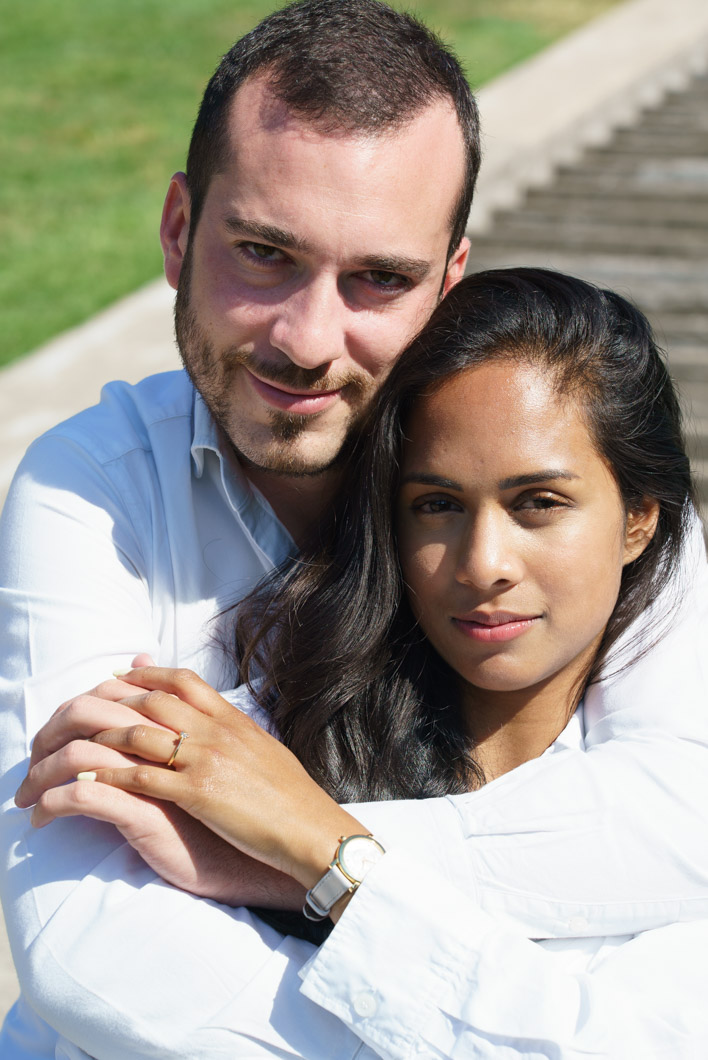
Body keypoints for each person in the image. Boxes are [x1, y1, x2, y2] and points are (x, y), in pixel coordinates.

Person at [0, 0, 706, 1053]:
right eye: (264, 253)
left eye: (380, 277)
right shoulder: (90, 490)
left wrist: (311, 847)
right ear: (180, 231)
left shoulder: (597, 508)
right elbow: (88, 945)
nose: (308, 339)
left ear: (449, 280)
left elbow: (674, 827)